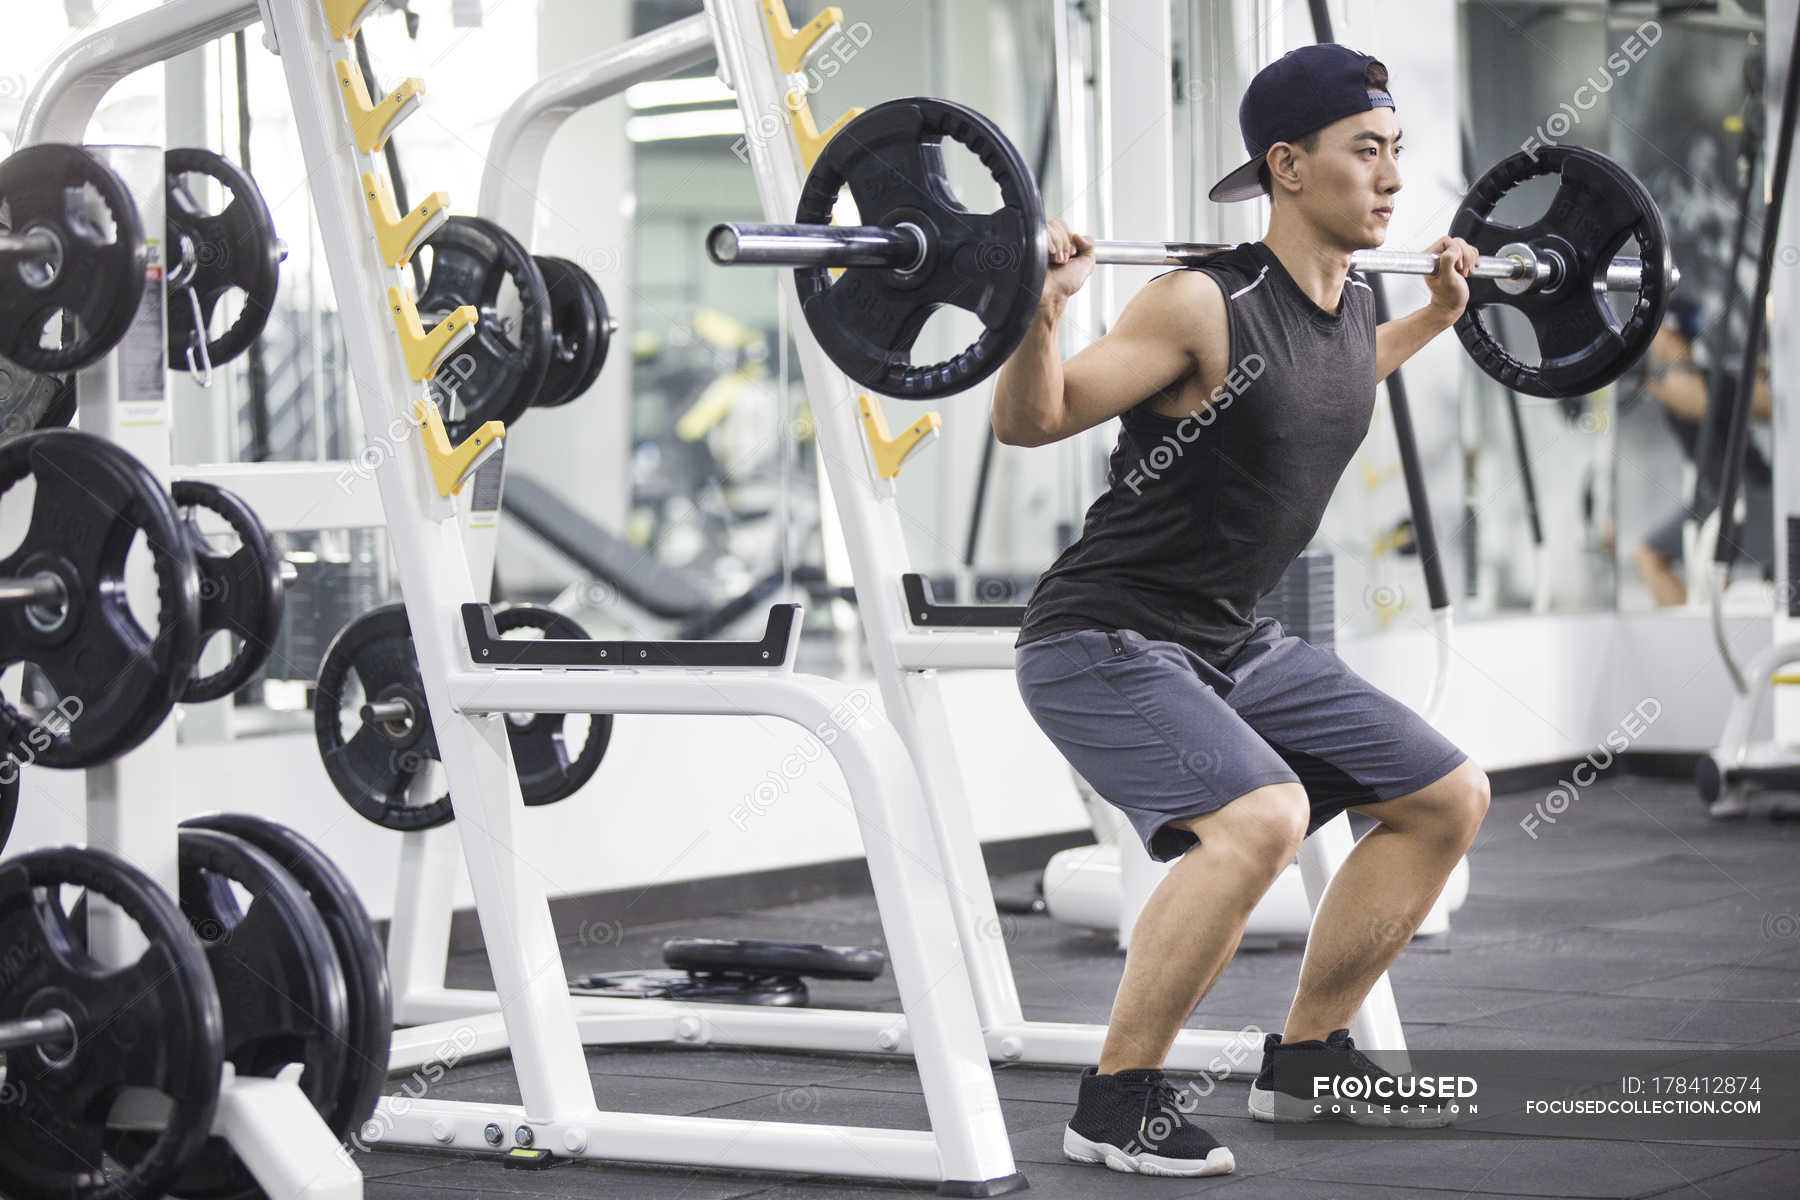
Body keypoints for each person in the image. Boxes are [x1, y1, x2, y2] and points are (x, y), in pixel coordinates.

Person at [993, 44, 1490, 1177]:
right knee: (1262, 817)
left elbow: (1338, 378)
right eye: (1366, 152)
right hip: (1104, 635)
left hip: (1235, 638)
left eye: (1396, 151)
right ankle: (1115, 1101)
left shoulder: (1355, 301)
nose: (1394, 180)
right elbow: (1038, 419)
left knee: (1445, 797)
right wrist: (1037, 314)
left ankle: (1309, 1061)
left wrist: (1444, 314)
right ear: (1288, 166)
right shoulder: (1198, 302)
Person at [1631, 295, 1774, 606]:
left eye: (1657, 334)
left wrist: (1644, 375)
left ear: (1668, 333)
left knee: (1662, 558)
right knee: (1655, 557)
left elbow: (1700, 403)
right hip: (1719, 495)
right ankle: (1695, 636)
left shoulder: (1702, 382)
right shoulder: (1704, 380)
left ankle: (1703, 638)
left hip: (1742, 494)